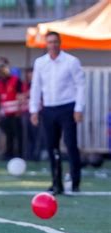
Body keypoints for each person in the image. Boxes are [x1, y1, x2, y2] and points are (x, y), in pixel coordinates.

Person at [29, 31, 85, 195]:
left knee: (70, 144)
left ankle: (75, 181)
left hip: (67, 107)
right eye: (50, 42)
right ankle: (56, 182)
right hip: (49, 109)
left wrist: (78, 108)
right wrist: (34, 110)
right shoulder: (40, 63)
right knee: (52, 146)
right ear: (46, 44)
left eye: (55, 42)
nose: (52, 45)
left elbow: (80, 85)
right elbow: (36, 87)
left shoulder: (71, 61)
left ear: (60, 43)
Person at [0, 63, 23, 160]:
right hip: (5, 114)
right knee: (8, 135)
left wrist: (19, 109)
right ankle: (8, 154)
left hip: (16, 113)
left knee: (18, 135)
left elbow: (20, 95)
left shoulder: (16, 80)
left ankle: (19, 155)